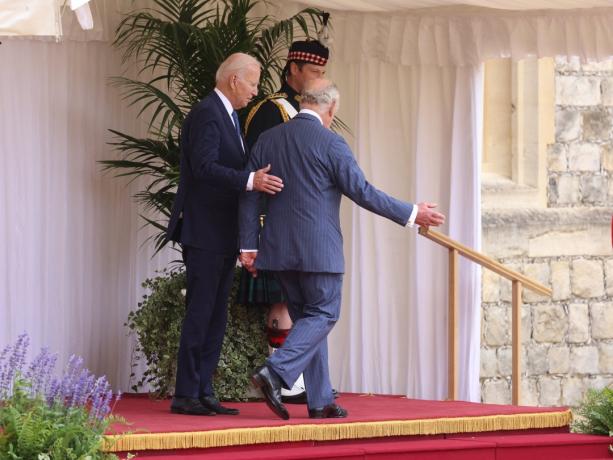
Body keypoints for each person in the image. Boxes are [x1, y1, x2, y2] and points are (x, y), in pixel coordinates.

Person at [239, 79, 445, 419]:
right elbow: (362, 191)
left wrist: (248, 244)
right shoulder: (331, 143)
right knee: (324, 314)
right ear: (331, 108)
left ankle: (319, 401)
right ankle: (275, 372)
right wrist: (413, 212)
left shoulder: (268, 139)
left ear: (303, 101)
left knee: (308, 320)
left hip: (279, 250)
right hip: (320, 251)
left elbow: (248, 192)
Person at [166, 53, 284, 416]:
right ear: (234, 80)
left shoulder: (230, 116)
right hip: (204, 231)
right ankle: (186, 393)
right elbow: (203, 168)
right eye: (252, 83)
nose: (255, 91)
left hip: (222, 233)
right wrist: (250, 180)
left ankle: (204, 390)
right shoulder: (207, 112)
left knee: (216, 315)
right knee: (201, 312)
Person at [238, 39, 329, 404]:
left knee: (302, 303)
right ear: (293, 70)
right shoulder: (270, 110)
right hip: (273, 216)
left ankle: (291, 378)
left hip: (303, 220)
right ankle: (284, 378)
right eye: (314, 72)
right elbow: (258, 169)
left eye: (324, 73)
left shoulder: (307, 110)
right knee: (283, 302)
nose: (320, 78)